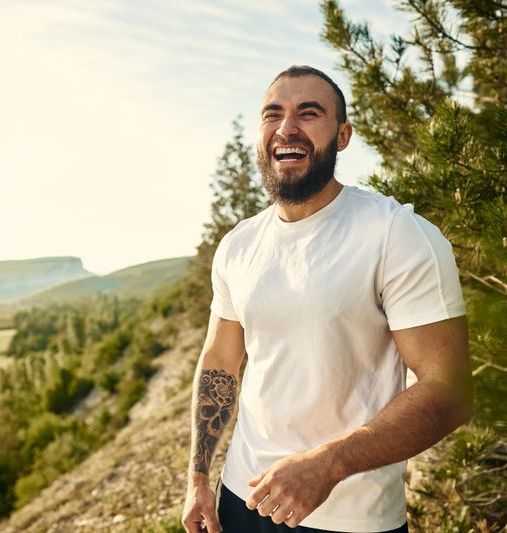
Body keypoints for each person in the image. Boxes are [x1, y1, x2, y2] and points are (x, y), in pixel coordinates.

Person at [181, 65, 473, 533]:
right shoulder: (238, 244)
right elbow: (220, 361)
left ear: (342, 136)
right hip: (240, 497)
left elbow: (450, 390)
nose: (287, 127)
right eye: (272, 114)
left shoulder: (396, 233)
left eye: (308, 113)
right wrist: (198, 476)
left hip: (349, 517)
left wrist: (328, 464)